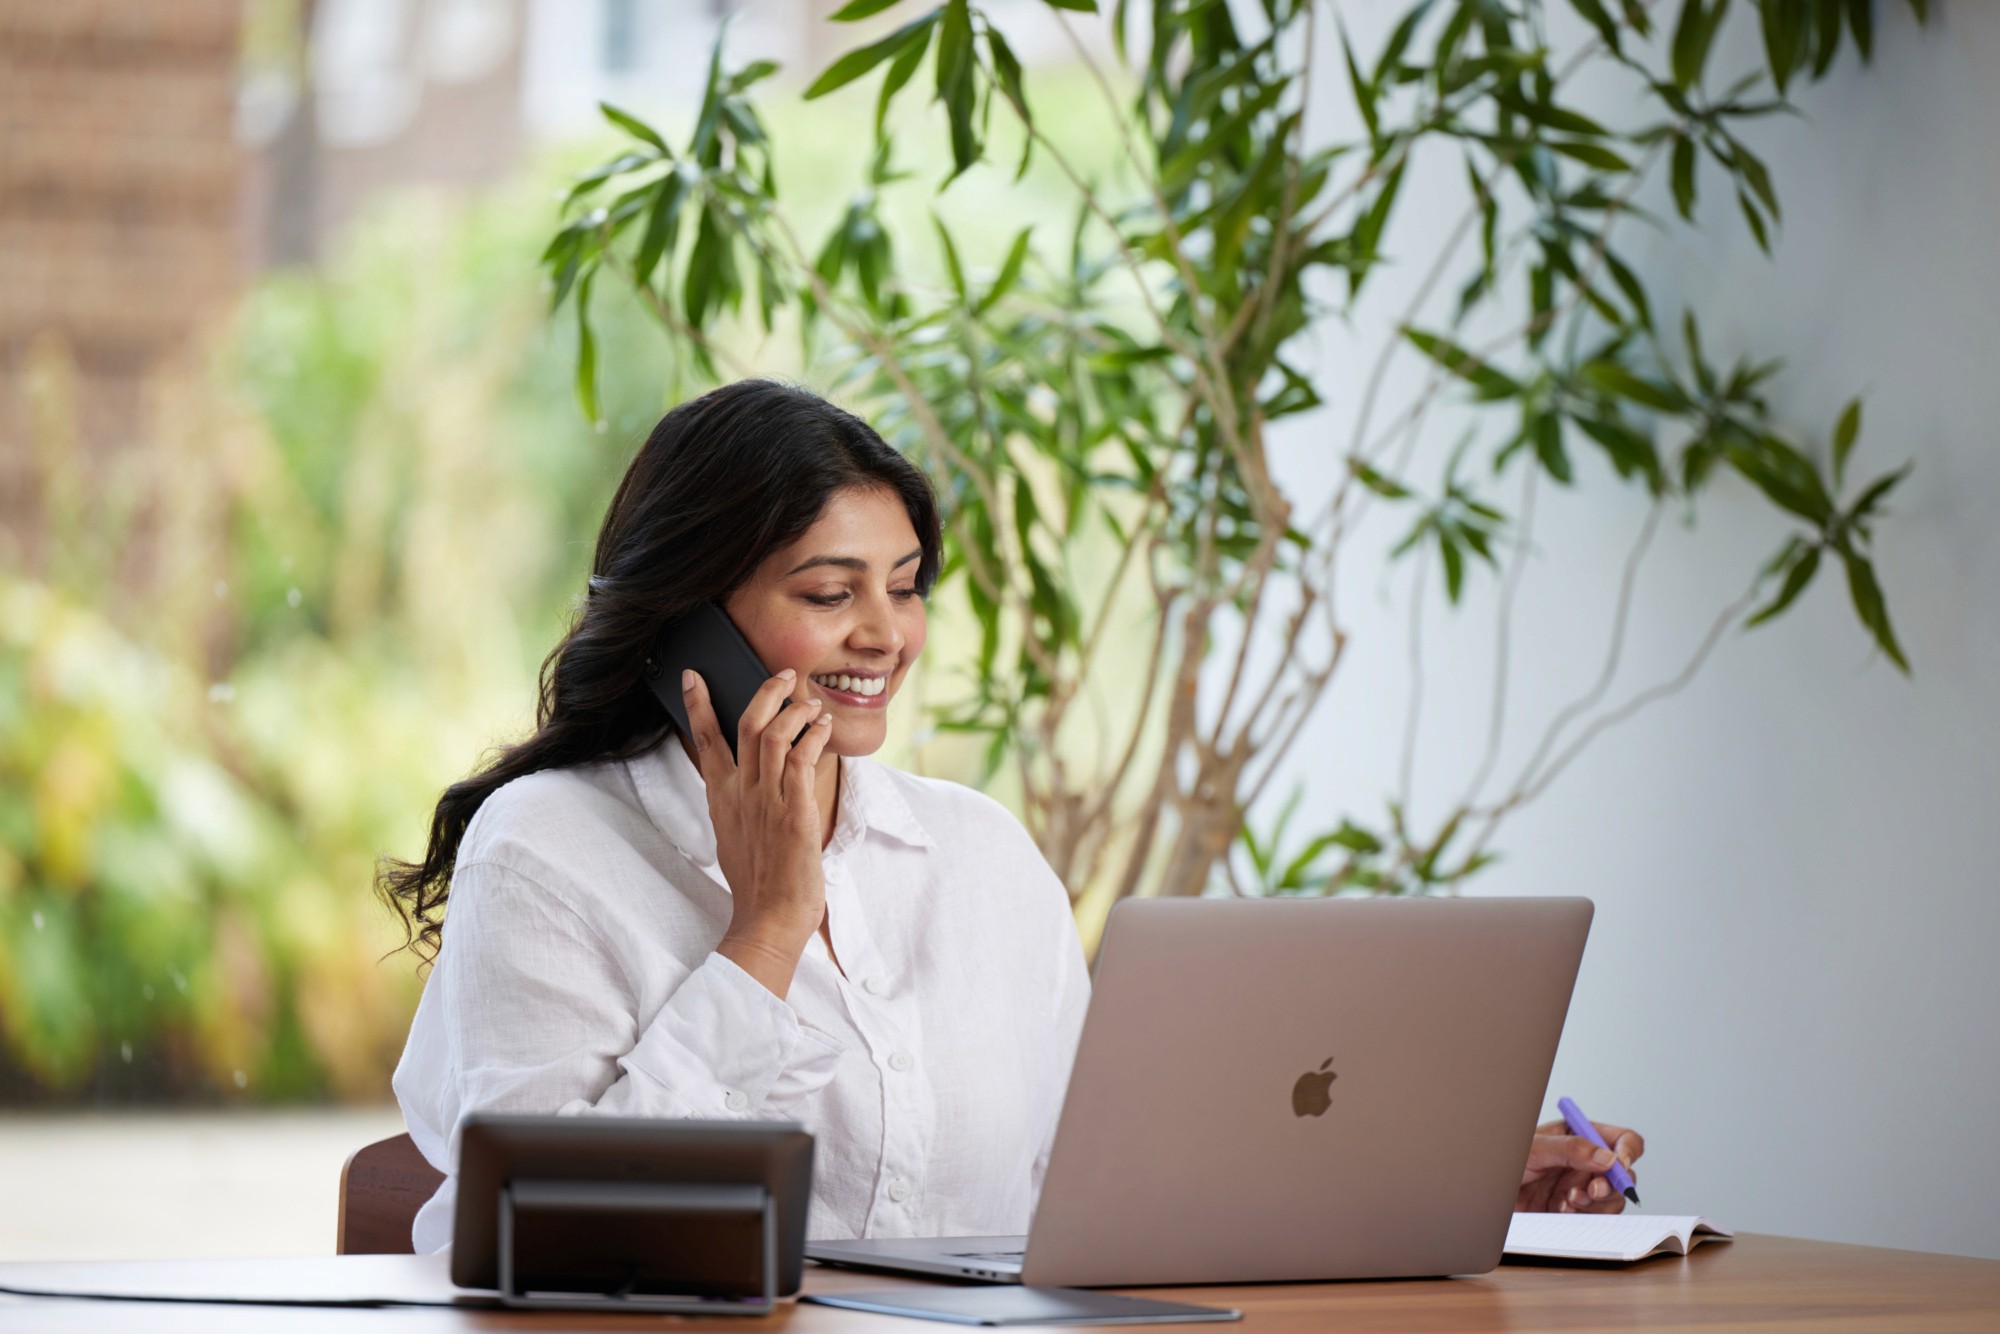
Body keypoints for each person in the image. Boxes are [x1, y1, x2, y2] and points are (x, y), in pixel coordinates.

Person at [382, 379, 1642, 1255]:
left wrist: (1456, 1181)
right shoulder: (548, 849)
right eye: (830, 592)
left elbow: (1092, 1188)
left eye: (905, 587)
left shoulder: (975, 853)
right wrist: (766, 926)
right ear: (687, 622)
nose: (882, 635)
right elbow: (549, 1231)